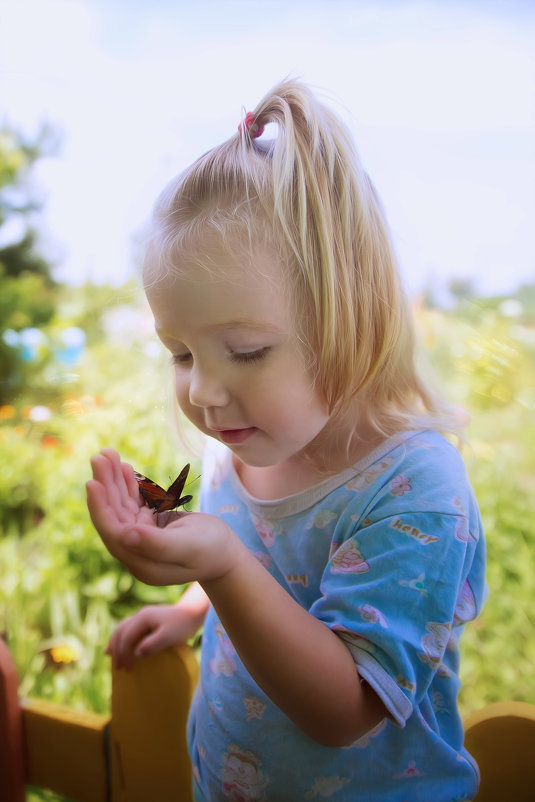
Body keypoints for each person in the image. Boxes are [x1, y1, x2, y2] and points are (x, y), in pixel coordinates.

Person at [87, 79, 486, 801]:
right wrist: (190, 610)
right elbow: (264, 565)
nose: (204, 392)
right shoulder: (239, 446)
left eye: (243, 351)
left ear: (350, 322)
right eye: (180, 354)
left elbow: (344, 711)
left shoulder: (416, 493)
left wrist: (219, 565)